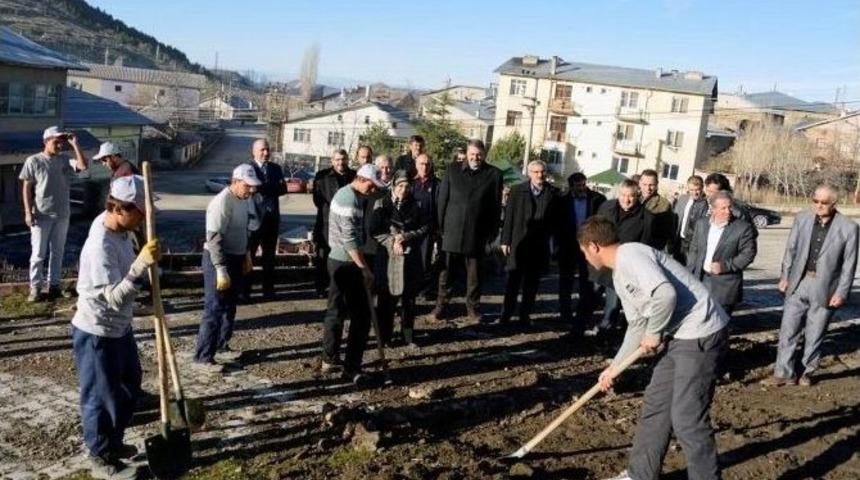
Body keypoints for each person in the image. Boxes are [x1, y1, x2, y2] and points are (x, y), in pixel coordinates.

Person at [578, 216, 729, 480]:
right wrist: (615, 367)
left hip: (701, 332)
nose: (585, 257)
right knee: (656, 406)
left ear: (593, 246)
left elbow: (665, 294)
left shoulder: (632, 255)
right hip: (676, 336)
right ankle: (641, 475)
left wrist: (654, 331)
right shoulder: (619, 275)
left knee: (687, 417)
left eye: (583, 251)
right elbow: (636, 326)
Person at [72, 175, 160, 479]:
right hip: (98, 330)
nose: (145, 218)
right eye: (140, 212)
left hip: (120, 327)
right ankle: (100, 454)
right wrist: (140, 267)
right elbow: (111, 298)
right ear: (119, 208)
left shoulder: (117, 226)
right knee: (100, 396)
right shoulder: (100, 246)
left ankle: (114, 441)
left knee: (129, 386)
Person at [762, 183, 858, 387]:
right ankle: (783, 373)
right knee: (788, 330)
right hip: (798, 282)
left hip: (825, 287)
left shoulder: (849, 228)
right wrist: (784, 276)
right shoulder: (802, 218)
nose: (819, 205)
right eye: (815, 201)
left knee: (815, 333)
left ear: (834, 203)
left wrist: (842, 292)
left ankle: (806, 372)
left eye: (824, 202)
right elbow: (791, 250)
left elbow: (849, 264)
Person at [320, 164, 385, 384]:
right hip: (345, 263)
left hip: (341, 260)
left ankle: (330, 357)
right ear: (363, 180)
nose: (373, 190)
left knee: (337, 309)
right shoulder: (348, 200)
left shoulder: (353, 195)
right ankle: (350, 366)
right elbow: (349, 240)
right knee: (360, 316)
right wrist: (364, 268)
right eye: (372, 185)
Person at [194, 164, 260, 369]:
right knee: (214, 308)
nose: (251, 190)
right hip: (218, 259)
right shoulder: (222, 202)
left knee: (229, 306)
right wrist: (220, 269)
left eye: (252, 186)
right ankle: (203, 356)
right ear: (236, 181)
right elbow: (214, 239)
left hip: (237, 257)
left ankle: (222, 345)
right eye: (248, 186)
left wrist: (247, 255)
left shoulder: (244, 200)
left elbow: (245, 230)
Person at [433, 139, 503, 322]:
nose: (475, 158)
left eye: (479, 155)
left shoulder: (494, 174)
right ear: (467, 153)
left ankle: (473, 309)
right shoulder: (452, 170)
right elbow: (442, 201)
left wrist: (492, 232)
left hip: (477, 234)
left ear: (484, 155)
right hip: (451, 231)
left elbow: (495, 207)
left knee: (475, 277)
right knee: (445, 274)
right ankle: (440, 307)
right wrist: (440, 228)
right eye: (472, 154)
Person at [19, 126, 89, 302]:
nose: (59, 146)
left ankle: (54, 286)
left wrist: (75, 144)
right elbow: (27, 187)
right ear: (46, 141)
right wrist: (28, 212)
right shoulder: (34, 160)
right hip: (41, 214)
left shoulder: (64, 160)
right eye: (56, 142)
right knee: (38, 253)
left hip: (62, 213)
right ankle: (35, 288)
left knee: (58, 252)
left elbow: (83, 166)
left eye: (61, 142)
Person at [588, 179, 655, 334]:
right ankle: (577, 330)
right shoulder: (606, 207)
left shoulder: (647, 218)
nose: (627, 199)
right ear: (619, 194)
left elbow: (643, 247)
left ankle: (605, 335)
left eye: (631, 196)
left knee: (613, 305)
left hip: (622, 268)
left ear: (637, 195)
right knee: (589, 298)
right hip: (600, 262)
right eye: (624, 195)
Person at [372, 171, 429, 345]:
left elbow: (425, 227)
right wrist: (392, 241)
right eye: (400, 186)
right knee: (386, 300)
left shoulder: (417, 204)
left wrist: (406, 237)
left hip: (410, 258)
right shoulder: (381, 203)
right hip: (388, 258)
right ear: (393, 186)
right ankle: (384, 337)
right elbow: (374, 230)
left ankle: (408, 335)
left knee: (409, 300)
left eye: (407, 186)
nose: (403, 189)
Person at [499, 160, 559, 326]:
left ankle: (525, 315)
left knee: (532, 284)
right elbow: (509, 217)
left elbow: (556, 223)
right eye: (536, 172)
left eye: (542, 172)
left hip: (539, 246)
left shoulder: (553, 193)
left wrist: (553, 245)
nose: (540, 175)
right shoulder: (518, 191)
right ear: (529, 173)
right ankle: (506, 315)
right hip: (519, 243)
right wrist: (505, 240)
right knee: (513, 282)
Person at [686, 191, 757, 316]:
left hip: (724, 285)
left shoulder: (742, 228)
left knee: (719, 325)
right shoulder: (702, 224)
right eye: (723, 208)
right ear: (713, 209)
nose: (728, 211)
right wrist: (690, 272)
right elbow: (694, 249)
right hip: (701, 280)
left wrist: (724, 266)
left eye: (730, 207)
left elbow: (748, 254)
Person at [557, 172, 606, 334]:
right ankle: (565, 313)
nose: (581, 188)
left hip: (589, 247)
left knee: (587, 282)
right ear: (571, 186)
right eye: (578, 186)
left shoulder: (597, 200)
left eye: (583, 185)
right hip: (568, 246)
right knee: (566, 281)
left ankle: (584, 314)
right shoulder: (562, 201)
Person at [244, 138, 287, 301]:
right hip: (253, 220)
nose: (266, 153)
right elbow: (247, 188)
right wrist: (270, 188)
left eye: (268, 149)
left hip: (271, 220)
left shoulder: (275, 168)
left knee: (269, 259)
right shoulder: (248, 168)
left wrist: (261, 187)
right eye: (262, 150)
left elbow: (283, 189)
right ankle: (245, 291)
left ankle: (268, 291)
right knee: (249, 258)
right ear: (254, 151)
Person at [312, 150, 356, 297]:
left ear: (347, 160)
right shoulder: (322, 177)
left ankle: (337, 286)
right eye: (337, 159)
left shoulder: (354, 176)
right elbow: (317, 201)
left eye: (343, 159)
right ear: (332, 161)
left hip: (347, 222)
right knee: (323, 256)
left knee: (343, 255)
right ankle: (320, 287)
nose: (340, 162)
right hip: (326, 222)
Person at [411, 153, 441, 299]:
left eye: (427, 164)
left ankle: (422, 289)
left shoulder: (437, 184)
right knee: (410, 259)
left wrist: (436, 229)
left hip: (428, 229)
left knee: (424, 260)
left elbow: (439, 208)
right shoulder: (410, 182)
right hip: (411, 230)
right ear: (416, 165)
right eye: (421, 163)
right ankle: (410, 286)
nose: (424, 166)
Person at [671, 175, 707, 264]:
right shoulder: (682, 199)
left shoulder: (705, 204)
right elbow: (675, 218)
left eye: (697, 190)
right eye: (691, 190)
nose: (694, 193)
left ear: (702, 188)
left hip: (693, 243)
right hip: (679, 240)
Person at [638, 169, 673, 251]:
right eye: (645, 184)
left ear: (657, 184)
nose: (648, 188)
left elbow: (664, 233)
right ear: (639, 183)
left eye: (651, 185)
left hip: (649, 248)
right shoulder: (632, 198)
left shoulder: (664, 204)